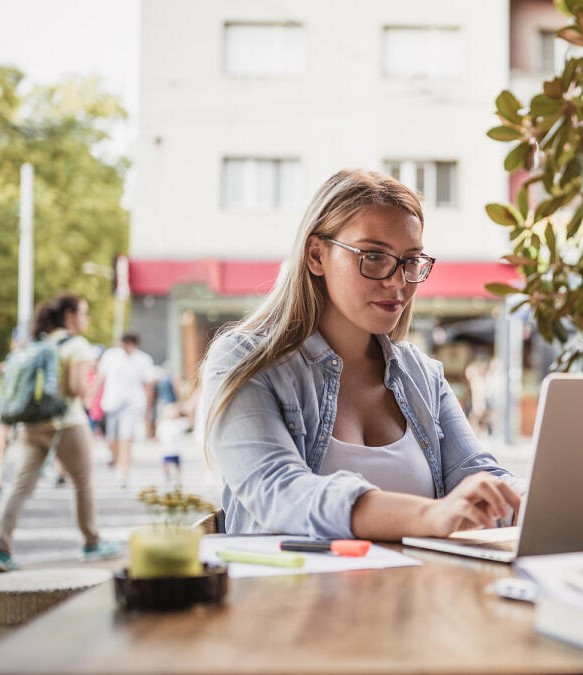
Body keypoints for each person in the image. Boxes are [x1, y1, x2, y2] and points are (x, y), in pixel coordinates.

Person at [202, 169, 522, 540]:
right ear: (316, 256)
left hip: (412, 592)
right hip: (290, 596)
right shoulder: (243, 362)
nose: (397, 282)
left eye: (410, 260)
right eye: (373, 256)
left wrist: (540, 501)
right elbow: (280, 493)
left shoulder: (422, 376)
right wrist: (429, 516)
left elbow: (481, 479)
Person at [0, 293, 121, 571]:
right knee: (82, 482)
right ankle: (92, 542)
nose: (87, 318)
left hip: (32, 425)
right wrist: (94, 381)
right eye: (83, 313)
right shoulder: (77, 345)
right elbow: (76, 390)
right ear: (69, 316)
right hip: (67, 424)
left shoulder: (40, 343)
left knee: (19, 486)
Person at [92, 332, 155, 487]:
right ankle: (119, 459)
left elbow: (148, 387)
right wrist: (90, 397)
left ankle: (122, 473)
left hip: (132, 405)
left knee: (125, 438)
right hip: (112, 404)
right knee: (111, 440)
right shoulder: (110, 356)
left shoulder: (143, 359)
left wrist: (148, 412)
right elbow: (100, 378)